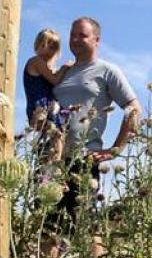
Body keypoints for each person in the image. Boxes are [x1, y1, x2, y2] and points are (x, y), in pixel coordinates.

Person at [48, 16, 141, 235]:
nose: (75, 39)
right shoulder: (63, 73)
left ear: (96, 40)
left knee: (86, 227)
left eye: (82, 35)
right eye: (72, 35)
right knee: (49, 227)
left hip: (83, 160)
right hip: (53, 161)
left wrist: (116, 149)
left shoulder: (107, 71)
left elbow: (134, 109)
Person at [23, 29, 71, 161]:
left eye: (53, 47)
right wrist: (65, 67)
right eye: (44, 45)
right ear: (37, 45)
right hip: (40, 107)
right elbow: (54, 80)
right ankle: (54, 164)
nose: (48, 50)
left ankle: (48, 163)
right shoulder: (36, 61)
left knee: (50, 139)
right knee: (57, 134)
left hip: (46, 107)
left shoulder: (45, 66)